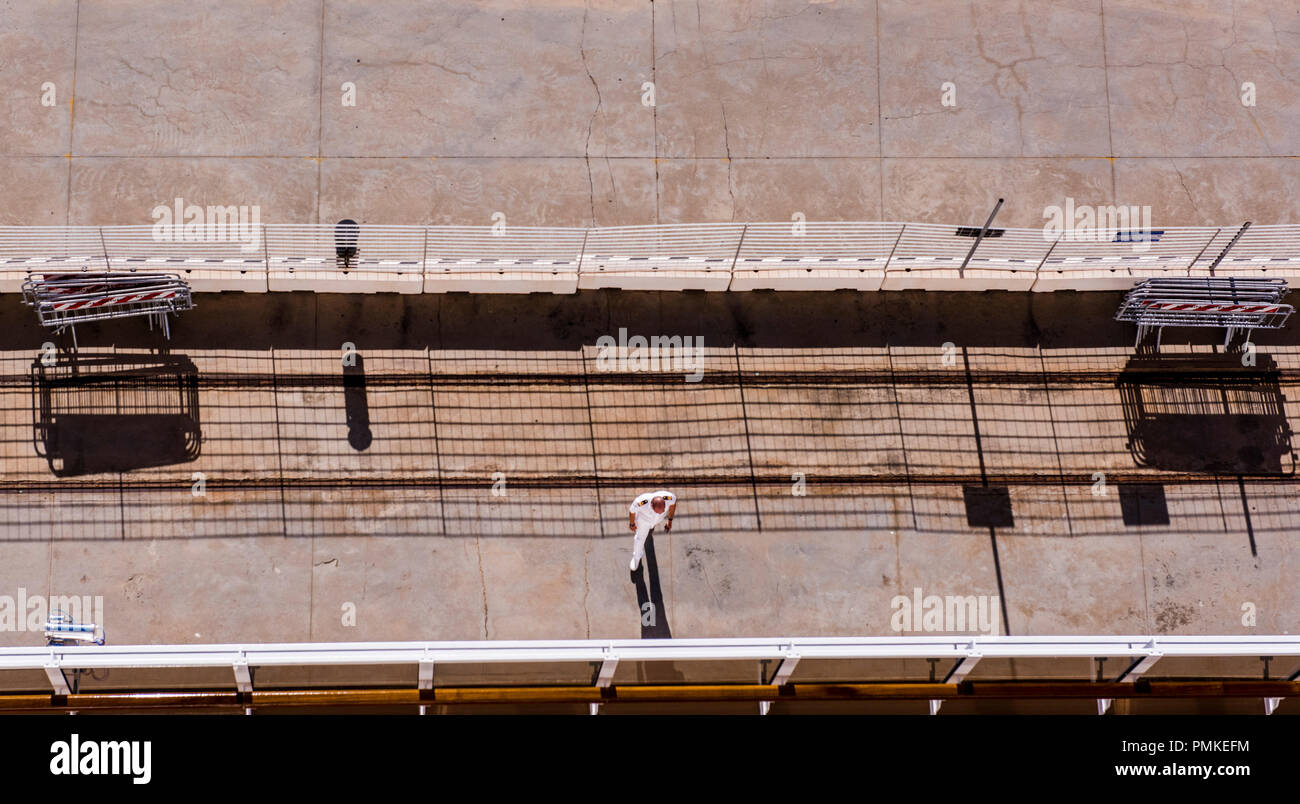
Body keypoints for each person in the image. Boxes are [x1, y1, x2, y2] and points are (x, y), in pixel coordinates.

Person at [628, 490, 676, 571]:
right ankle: (636, 558)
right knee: (640, 538)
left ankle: (651, 528)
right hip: (644, 520)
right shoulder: (641, 502)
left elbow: (673, 505)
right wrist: (632, 524)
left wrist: (670, 520)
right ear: (651, 505)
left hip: (656, 520)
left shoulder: (670, 498)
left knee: (651, 528)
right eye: (657, 511)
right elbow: (632, 511)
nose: (659, 512)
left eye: (663, 510)